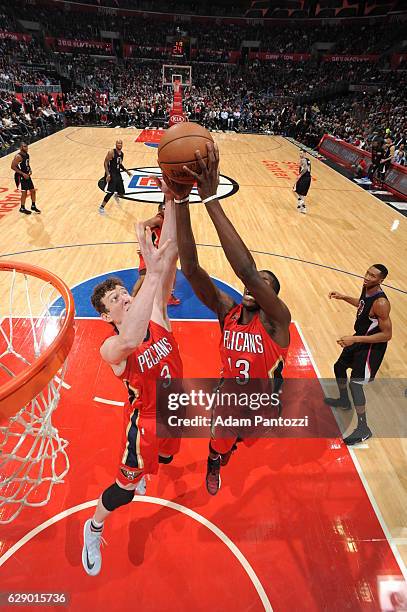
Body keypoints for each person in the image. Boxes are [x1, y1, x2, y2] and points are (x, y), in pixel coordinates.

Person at [165, 142, 291, 495]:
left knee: (240, 442)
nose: (257, 287)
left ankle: (227, 450)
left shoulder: (277, 321)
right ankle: (213, 460)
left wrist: (211, 198)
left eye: (267, 286)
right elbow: (190, 268)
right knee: (220, 444)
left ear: (272, 297)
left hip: (261, 403)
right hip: (228, 398)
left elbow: (249, 273)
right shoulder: (228, 312)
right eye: (258, 283)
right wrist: (182, 200)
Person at [82, 183, 183, 576]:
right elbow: (130, 337)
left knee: (170, 456)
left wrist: (173, 198)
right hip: (147, 420)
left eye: (125, 292)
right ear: (106, 316)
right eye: (115, 300)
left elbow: (170, 249)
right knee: (125, 490)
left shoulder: (155, 310)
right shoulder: (112, 348)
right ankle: (94, 526)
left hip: (178, 406)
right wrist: (153, 274)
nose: (124, 298)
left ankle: (152, 470)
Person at [324, 264, 392, 445]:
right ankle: (344, 401)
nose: (368, 277)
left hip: (371, 347)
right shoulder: (366, 288)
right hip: (360, 338)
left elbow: (387, 335)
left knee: (355, 383)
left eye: (373, 276)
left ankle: (364, 428)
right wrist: (344, 297)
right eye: (368, 272)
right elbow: (362, 306)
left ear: (381, 280)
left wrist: (355, 340)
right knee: (339, 367)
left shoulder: (382, 303)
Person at [132, 199, 180, 305]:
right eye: (165, 209)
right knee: (143, 277)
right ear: (161, 210)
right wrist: (141, 244)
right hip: (150, 252)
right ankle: (132, 299)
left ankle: (169, 296)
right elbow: (140, 226)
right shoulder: (158, 219)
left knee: (172, 273)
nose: (168, 211)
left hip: (161, 253)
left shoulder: (170, 220)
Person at [99, 140, 132, 215]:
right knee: (110, 192)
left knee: (122, 192)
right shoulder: (111, 152)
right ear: (116, 144)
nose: (119, 144)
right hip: (111, 174)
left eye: (121, 143)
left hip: (117, 173)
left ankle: (116, 194)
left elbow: (120, 164)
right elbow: (105, 162)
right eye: (118, 143)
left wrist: (126, 171)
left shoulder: (122, 154)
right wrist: (108, 174)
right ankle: (101, 207)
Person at [11, 142, 41, 215]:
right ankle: (22, 208)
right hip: (20, 176)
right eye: (24, 147)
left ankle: (33, 206)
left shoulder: (27, 155)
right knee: (24, 192)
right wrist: (23, 174)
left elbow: (27, 164)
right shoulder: (18, 156)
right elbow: (12, 166)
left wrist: (30, 170)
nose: (26, 148)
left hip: (27, 175)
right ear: (21, 147)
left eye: (27, 146)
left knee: (33, 191)